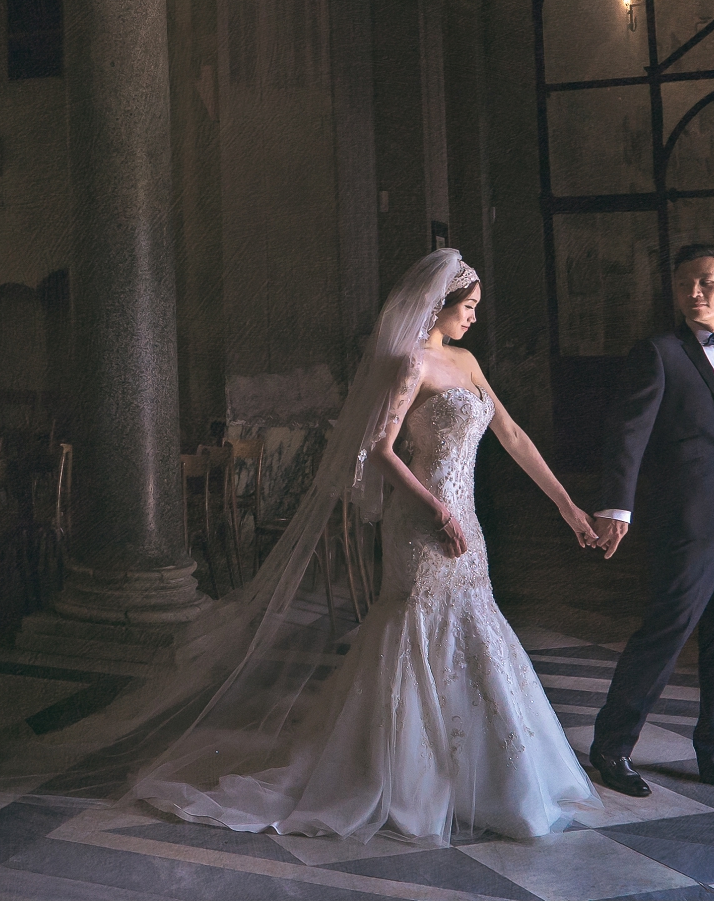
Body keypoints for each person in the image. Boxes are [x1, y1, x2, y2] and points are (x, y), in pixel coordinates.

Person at [131, 248, 602, 844]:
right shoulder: (410, 365)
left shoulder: (467, 361)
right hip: (422, 517)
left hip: (466, 517)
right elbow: (379, 449)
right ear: (441, 303)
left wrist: (567, 506)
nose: (474, 317)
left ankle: (480, 779)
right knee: (417, 628)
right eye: (469, 306)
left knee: (473, 624)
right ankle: (405, 777)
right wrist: (434, 511)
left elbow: (510, 434)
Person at [587, 243, 714, 799]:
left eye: (706, 282)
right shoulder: (659, 353)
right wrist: (616, 506)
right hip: (684, 524)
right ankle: (610, 747)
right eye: (684, 285)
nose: (694, 293)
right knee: (664, 634)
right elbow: (627, 434)